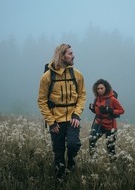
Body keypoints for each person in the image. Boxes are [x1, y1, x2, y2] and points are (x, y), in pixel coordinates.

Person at [37, 44, 86, 181]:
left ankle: (71, 162)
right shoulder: (47, 77)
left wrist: (77, 114)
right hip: (56, 121)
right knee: (58, 152)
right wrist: (51, 122)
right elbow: (42, 101)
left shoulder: (77, 75)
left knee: (73, 145)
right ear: (62, 56)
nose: (73, 55)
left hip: (72, 119)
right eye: (70, 53)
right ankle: (60, 180)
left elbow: (82, 95)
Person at [89, 79, 124, 161]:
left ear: (106, 88)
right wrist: (92, 109)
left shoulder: (112, 99)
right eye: (98, 89)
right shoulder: (97, 99)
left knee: (110, 147)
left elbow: (122, 110)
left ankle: (113, 164)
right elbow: (98, 111)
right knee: (92, 141)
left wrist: (110, 110)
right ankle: (93, 160)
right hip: (98, 123)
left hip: (110, 125)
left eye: (102, 88)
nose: (100, 90)